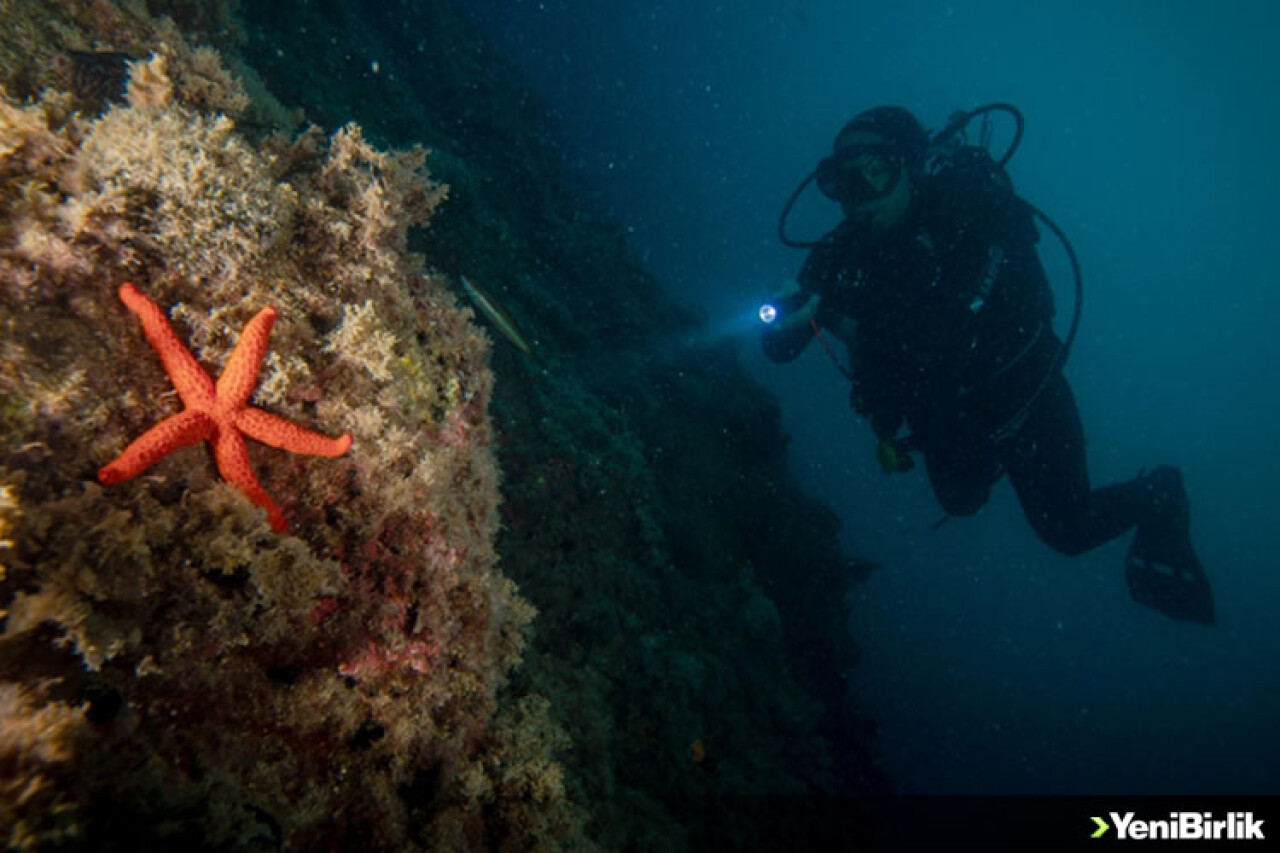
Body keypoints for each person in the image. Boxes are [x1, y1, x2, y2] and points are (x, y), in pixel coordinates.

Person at [762, 105, 1214, 624]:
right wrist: (784, 321)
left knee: (1067, 530)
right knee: (961, 500)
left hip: (1024, 404)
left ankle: (1160, 494)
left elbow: (948, 344)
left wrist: (843, 322)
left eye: (876, 172)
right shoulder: (843, 250)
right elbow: (780, 346)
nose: (859, 198)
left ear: (911, 166)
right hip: (942, 417)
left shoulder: (973, 217)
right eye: (843, 182)